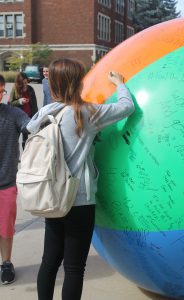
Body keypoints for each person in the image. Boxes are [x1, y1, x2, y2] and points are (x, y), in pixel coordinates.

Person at [26, 58, 135, 300]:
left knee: (49, 262)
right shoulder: (87, 113)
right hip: (80, 201)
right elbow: (127, 107)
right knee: (74, 268)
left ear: (51, 83)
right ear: (79, 82)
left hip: (51, 198)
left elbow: (28, 133)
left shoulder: (44, 113)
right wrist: (119, 83)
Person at [0, 74, 30, 284]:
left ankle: (6, 263)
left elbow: (32, 126)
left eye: (0, 90)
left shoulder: (13, 114)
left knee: (6, 229)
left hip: (6, 184)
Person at [9, 72, 38, 149]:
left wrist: (35, 117)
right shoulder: (15, 88)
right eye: (23, 83)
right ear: (19, 82)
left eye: (26, 82)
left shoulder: (31, 89)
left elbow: (35, 105)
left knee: (25, 138)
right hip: (17, 118)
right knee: (14, 138)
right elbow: (10, 103)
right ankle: (14, 156)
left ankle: (24, 157)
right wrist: (19, 101)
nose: (25, 84)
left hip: (27, 118)